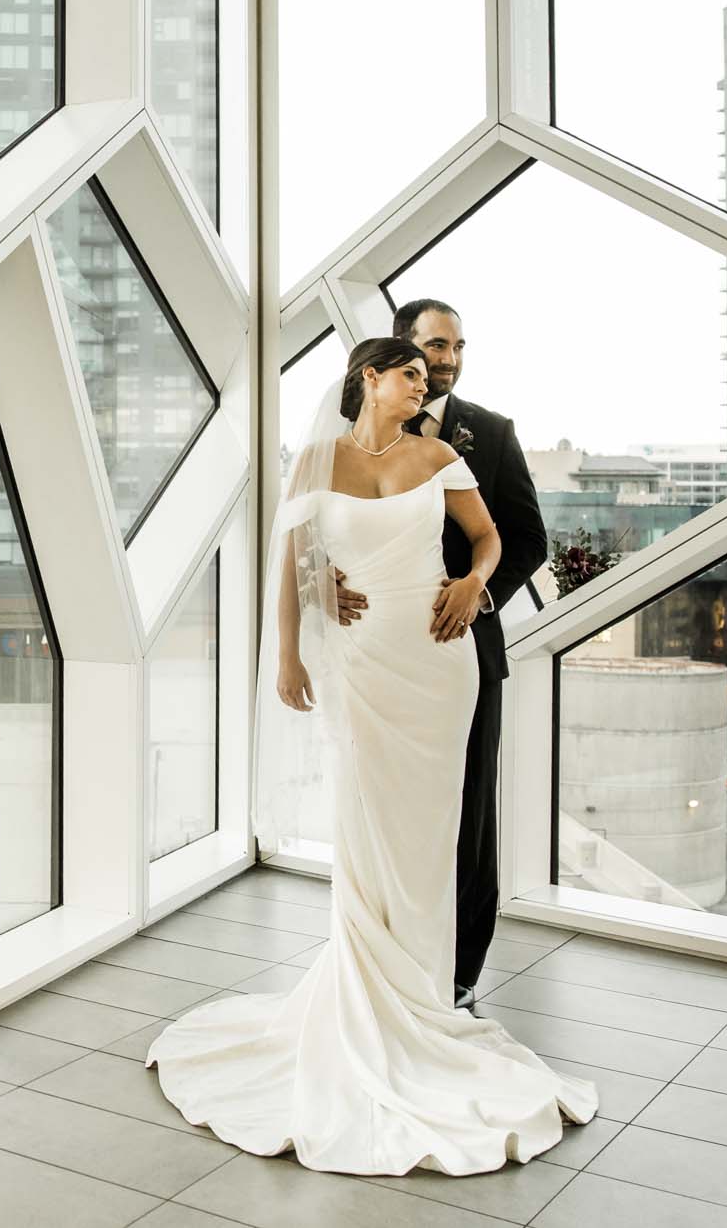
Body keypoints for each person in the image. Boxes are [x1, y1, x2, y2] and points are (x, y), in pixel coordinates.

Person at [146, 336, 594, 1177]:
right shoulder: (318, 455)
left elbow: (490, 539)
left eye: (429, 375)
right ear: (370, 379)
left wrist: (474, 585)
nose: (426, 383)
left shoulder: (437, 454)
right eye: (412, 373)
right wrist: (289, 650)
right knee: (364, 824)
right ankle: (365, 997)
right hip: (360, 663)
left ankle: (423, 1001)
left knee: (429, 838)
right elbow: (293, 557)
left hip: (437, 658)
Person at [335, 298, 547, 1009]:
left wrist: (476, 591)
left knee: (467, 813)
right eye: (435, 343)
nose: (449, 356)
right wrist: (323, 580)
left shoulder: (488, 433)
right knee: (382, 812)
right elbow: (325, 529)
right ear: (399, 350)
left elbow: (523, 537)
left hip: (462, 653)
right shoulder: (347, 438)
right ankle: (385, 961)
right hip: (372, 655)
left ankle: (456, 975)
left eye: (458, 345)